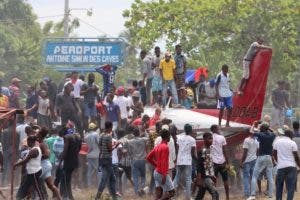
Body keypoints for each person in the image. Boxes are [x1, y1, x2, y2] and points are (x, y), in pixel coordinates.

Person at [247, 123, 275, 200]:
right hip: (269, 157)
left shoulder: (260, 135)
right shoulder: (272, 135)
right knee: (270, 177)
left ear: (262, 129)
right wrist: (267, 127)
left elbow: (251, 131)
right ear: (268, 128)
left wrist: (253, 124)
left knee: (254, 176)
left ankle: (252, 195)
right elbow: (273, 131)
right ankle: (270, 196)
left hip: (261, 157)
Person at [146, 129, 175, 200]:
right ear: (167, 136)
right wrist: (164, 175)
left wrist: (156, 165)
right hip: (162, 173)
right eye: (169, 136)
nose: (170, 138)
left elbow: (148, 157)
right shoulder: (165, 147)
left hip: (156, 172)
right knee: (172, 192)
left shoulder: (158, 146)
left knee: (159, 194)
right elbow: (164, 162)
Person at [14, 135, 44, 200]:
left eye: (27, 142)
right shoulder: (32, 149)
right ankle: (19, 197)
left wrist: (16, 165)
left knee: (37, 187)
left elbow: (25, 160)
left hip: (34, 172)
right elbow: (24, 159)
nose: (27, 143)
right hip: (31, 172)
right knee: (25, 186)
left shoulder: (34, 150)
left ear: (30, 141)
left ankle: (42, 198)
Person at [273, 129, 300, 200]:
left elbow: (274, 153)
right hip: (291, 167)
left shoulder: (277, 142)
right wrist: (299, 166)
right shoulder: (292, 143)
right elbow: (296, 157)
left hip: (281, 167)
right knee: (290, 187)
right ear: (290, 135)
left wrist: (278, 161)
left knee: (279, 186)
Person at [95, 121, 118, 200]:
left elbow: (100, 147)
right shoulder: (108, 136)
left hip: (102, 158)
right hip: (108, 159)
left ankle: (114, 196)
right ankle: (97, 197)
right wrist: (116, 145)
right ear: (110, 127)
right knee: (104, 180)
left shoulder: (101, 135)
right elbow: (110, 149)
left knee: (112, 178)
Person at [173, 123, 197, 200]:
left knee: (177, 177)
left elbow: (177, 149)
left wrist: (176, 159)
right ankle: (188, 197)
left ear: (184, 130)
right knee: (188, 179)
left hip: (179, 160)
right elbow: (192, 153)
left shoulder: (179, 138)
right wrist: (197, 160)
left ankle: (170, 194)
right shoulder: (192, 140)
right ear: (191, 130)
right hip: (187, 161)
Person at [36, 128, 61, 200]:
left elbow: (47, 155)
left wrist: (37, 156)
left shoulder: (42, 144)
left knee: (34, 184)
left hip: (43, 166)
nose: (36, 134)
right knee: (51, 185)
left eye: (37, 133)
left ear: (40, 135)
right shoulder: (42, 143)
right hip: (46, 164)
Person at [59, 125, 82, 200]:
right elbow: (79, 149)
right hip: (75, 160)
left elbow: (65, 151)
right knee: (68, 178)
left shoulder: (67, 137)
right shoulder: (78, 137)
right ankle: (68, 196)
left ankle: (67, 196)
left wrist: (61, 160)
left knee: (67, 179)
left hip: (68, 161)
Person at [125, 126, 148, 196]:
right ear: (139, 133)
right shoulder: (143, 139)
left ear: (133, 134)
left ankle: (136, 192)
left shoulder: (130, 142)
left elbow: (128, 152)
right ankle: (142, 189)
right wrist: (145, 132)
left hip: (134, 160)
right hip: (142, 160)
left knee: (135, 177)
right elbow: (148, 137)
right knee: (143, 176)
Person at [195, 132, 219, 200]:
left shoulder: (209, 149)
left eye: (212, 138)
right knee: (215, 194)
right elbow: (199, 165)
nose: (211, 140)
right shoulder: (202, 150)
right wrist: (199, 179)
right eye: (209, 138)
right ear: (204, 139)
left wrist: (213, 175)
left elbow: (209, 164)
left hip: (208, 176)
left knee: (200, 195)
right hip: (205, 177)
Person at [210, 125, 230, 200]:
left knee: (214, 181)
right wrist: (228, 162)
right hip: (222, 162)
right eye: (218, 128)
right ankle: (227, 197)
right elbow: (224, 151)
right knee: (225, 180)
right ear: (214, 129)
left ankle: (214, 197)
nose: (219, 129)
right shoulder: (222, 137)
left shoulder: (209, 137)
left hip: (213, 163)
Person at [240, 128, 259, 198]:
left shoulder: (246, 140)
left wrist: (241, 162)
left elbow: (245, 153)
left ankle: (247, 193)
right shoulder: (256, 140)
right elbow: (257, 151)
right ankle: (253, 192)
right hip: (254, 160)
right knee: (253, 177)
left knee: (246, 177)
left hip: (247, 161)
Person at [84, 122, 100, 187]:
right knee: (98, 170)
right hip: (96, 154)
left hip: (89, 154)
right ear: (94, 128)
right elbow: (99, 143)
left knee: (89, 171)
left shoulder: (86, 136)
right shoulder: (96, 134)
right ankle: (99, 184)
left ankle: (89, 184)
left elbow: (88, 145)